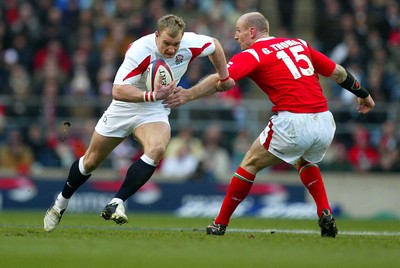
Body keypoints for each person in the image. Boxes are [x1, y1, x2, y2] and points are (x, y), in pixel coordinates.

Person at [164, 12, 375, 237]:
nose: (235, 37)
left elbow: (221, 81)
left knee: (250, 163)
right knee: (304, 161)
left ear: (252, 32)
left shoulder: (254, 54)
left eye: (238, 30)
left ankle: (219, 223)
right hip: (324, 120)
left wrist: (188, 95)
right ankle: (325, 211)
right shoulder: (298, 43)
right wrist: (363, 94)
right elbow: (338, 72)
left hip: (293, 120)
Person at [43, 14, 235, 232]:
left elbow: (216, 46)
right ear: (156, 36)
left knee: (158, 148)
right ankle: (60, 203)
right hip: (126, 104)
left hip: (154, 109)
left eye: (176, 44)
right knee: (91, 161)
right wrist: (152, 95)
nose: (172, 49)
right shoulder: (140, 50)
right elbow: (117, 90)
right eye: (166, 44)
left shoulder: (190, 44)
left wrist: (224, 75)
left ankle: (117, 202)